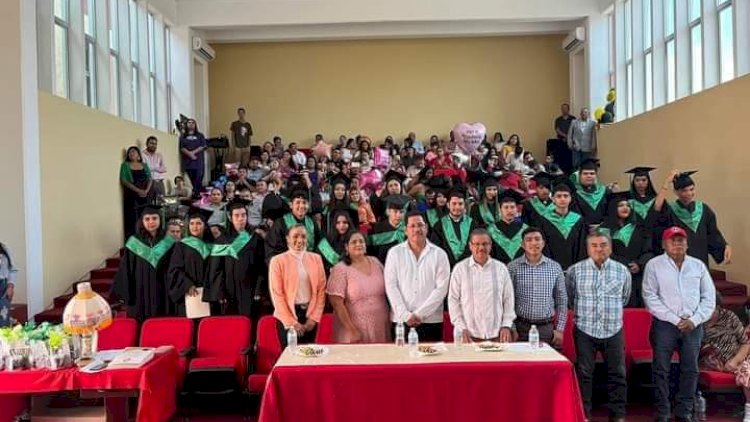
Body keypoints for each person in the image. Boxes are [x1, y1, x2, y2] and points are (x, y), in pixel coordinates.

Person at [643, 226, 716, 422]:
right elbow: (650, 297)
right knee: (661, 370)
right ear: (664, 244)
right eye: (672, 240)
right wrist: (675, 320)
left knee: (690, 369)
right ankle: (663, 412)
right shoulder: (654, 265)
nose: (677, 244)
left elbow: (709, 297)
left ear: (687, 243)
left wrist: (694, 320)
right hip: (665, 325)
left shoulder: (698, 266)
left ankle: (685, 412)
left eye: (681, 240)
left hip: (693, 325)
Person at [566, 230, 631, 422]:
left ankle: (618, 415)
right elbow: (570, 298)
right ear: (588, 249)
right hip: (585, 329)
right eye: (594, 245)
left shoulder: (622, 271)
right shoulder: (575, 271)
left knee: (618, 373)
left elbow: (625, 298)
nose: (599, 249)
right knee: (584, 373)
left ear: (610, 247)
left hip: (613, 329)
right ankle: (584, 415)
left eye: (603, 245)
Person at [384, 211, 450, 342]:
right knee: (401, 355)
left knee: (432, 355)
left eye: (420, 225)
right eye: (412, 226)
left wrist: (420, 314)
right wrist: (405, 315)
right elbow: (391, 286)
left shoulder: (439, 254)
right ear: (405, 230)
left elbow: (442, 289)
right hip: (401, 321)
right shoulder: (394, 253)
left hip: (431, 320)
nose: (416, 229)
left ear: (426, 228)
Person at [448, 229, 515, 343]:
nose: (481, 248)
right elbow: (453, 300)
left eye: (485, 244)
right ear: (470, 246)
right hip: (467, 335)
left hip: (497, 334)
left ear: (490, 245)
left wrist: (506, 325)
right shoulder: (460, 269)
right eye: (477, 244)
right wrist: (461, 327)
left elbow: (508, 299)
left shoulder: (501, 269)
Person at [112, 205, 176, 321]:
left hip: (163, 289)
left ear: (160, 220)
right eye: (147, 219)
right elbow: (126, 269)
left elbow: (174, 268)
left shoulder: (168, 241)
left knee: (163, 320)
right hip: (139, 290)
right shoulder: (134, 242)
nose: (151, 222)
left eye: (154, 218)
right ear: (142, 221)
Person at [654, 170, 731, 266]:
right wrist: (667, 182)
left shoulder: (703, 209)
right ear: (676, 192)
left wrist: (724, 247)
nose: (689, 193)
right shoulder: (670, 210)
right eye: (684, 190)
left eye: (691, 189)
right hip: (678, 259)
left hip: (701, 259)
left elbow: (713, 233)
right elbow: (657, 208)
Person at [205, 199, 266, 318]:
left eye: (243, 215)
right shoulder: (222, 240)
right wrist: (220, 292)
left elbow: (262, 267)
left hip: (250, 290)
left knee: (250, 321)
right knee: (231, 323)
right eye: (237, 216)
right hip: (228, 291)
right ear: (230, 217)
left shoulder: (255, 239)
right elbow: (216, 269)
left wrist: (258, 289)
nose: (240, 219)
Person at [327, 231, 391, 344]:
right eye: (354, 242)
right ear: (346, 247)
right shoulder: (340, 269)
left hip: (381, 326)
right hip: (355, 331)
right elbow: (337, 304)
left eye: (361, 241)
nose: (358, 244)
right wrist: (352, 330)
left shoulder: (375, 262)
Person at [269, 224, 327, 347]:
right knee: (290, 355)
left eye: (303, 236)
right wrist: (292, 322)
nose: (300, 240)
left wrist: (313, 318)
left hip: (309, 315)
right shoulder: (277, 261)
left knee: (309, 354)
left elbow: (321, 290)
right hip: (287, 317)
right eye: (295, 236)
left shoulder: (316, 259)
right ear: (287, 239)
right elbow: (277, 295)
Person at [507, 227, 567, 345]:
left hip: (546, 328)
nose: (534, 243)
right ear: (522, 245)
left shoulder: (555, 267)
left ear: (543, 243)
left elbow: (562, 300)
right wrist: (512, 328)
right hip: (520, 328)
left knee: (546, 357)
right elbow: (507, 300)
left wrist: (560, 329)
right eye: (529, 240)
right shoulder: (512, 267)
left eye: (537, 239)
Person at [700, 293, 750, 422]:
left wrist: (735, 360)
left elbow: (745, 343)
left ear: (718, 307)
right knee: (746, 370)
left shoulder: (729, 316)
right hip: (712, 357)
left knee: (746, 368)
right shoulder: (697, 320)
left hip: (737, 356)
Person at [600, 192, 654, 307]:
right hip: (614, 275)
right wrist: (625, 265)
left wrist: (639, 264)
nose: (625, 208)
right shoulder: (605, 230)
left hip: (638, 275)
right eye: (621, 205)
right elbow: (604, 253)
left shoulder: (640, 227)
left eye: (628, 205)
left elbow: (649, 250)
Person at [167, 208, 215, 317]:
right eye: (192, 223)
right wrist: (187, 284)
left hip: (210, 294)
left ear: (205, 226)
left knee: (209, 324)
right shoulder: (181, 246)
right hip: (190, 294)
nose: (195, 226)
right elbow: (174, 269)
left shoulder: (212, 246)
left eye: (198, 223)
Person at [539, 181, 587, 269]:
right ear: (553, 199)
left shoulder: (578, 220)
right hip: (551, 267)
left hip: (575, 266)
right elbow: (544, 247)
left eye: (565, 196)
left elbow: (582, 247)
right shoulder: (544, 220)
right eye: (559, 196)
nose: (562, 199)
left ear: (570, 198)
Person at [265, 189, 320, 263]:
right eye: (298, 202)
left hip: (308, 263)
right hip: (287, 264)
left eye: (304, 202)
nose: (301, 206)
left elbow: (319, 246)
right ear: (291, 205)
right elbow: (272, 249)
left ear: (308, 205)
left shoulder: (312, 223)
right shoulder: (280, 223)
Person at [430, 190, 478, 268]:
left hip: (469, 266)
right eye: (454, 204)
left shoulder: (473, 224)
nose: (457, 207)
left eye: (460, 204)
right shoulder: (439, 225)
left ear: (464, 205)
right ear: (448, 205)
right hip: (446, 266)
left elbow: (476, 245)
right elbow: (436, 248)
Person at [120, 146, 153, 239]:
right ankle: (133, 238)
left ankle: (145, 237)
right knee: (132, 217)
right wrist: (138, 190)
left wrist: (146, 191)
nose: (131, 153)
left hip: (145, 194)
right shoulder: (125, 165)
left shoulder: (144, 165)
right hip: (132, 194)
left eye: (134, 151)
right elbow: (124, 180)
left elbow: (150, 178)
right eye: (130, 152)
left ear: (138, 155)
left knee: (144, 215)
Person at [487, 190, 527, 264]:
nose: (509, 210)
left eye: (512, 207)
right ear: (500, 210)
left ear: (516, 209)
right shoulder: (491, 230)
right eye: (506, 207)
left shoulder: (525, 229)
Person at [367, 196, 408, 264]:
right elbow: (372, 252)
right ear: (388, 212)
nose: (398, 215)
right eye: (395, 211)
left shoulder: (408, 228)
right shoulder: (377, 228)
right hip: (383, 265)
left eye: (401, 212)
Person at [572, 158, 610, 226]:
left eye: (592, 173)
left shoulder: (605, 191)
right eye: (585, 173)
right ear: (580, 176)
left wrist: (601, 226)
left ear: (596, 175)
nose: (589, 176)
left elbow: (610, 213)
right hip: (583, 230)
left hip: (603, 229)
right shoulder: (574, 194)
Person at [318, 207, 357, 272]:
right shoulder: (326, 242)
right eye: (338, 223)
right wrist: (329, 268)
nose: (341, 225)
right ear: (334, 224)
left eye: (345, 222)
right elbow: (320, 263)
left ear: (349, 224)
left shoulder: (355, 240)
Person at [179, 119, 207, 197]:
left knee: (198, 179)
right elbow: (182, 148)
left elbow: (203, 146)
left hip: (198, 162)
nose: (191, 124)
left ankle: (198, 196)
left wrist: (193, 153)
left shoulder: (200, 135)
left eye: (193, 123)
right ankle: (194, 196)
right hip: (188, 163)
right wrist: (189, 154)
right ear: (186, 125)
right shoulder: (183, 136)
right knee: (191, 181)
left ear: (195, 125)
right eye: (189, 122)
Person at [0, 242, 18, 328]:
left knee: (4, 321)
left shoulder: (3, 248)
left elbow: (12, 269)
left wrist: (10, 286)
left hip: (3, 287)